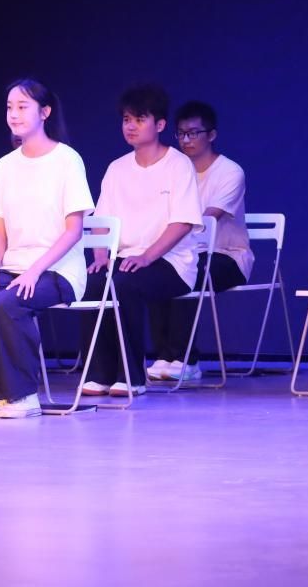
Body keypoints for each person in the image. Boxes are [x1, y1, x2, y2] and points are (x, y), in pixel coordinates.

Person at [0, 78, 94, 419]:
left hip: (58, 271)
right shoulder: (5, 166)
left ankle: (23, 395)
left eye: (23, 107)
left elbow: (73, 231)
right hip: (13, 267)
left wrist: (35, 271)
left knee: (9, 302)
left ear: (44, 112)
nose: (14, 114)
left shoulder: (67, 160)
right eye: (10, 107)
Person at [77, 85, 201, 397]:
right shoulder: (117, 168)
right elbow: (102, 223)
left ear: (159, 124)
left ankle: (131, 375)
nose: (130, 126)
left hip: (170, 263)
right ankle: (100, 373)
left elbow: (182, 222)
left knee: (125, 285)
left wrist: (146, 257)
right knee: (93, 283)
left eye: (139, 119)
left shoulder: (178, 165)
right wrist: (101, 257)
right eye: (126, 119)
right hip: (124, 259)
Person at [148, 100, 254, 382]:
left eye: (193, 133)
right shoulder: (173, 170)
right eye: (181, 134)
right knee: (154, 272)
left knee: (188, 271)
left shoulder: (230, 172)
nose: (186, 140)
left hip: (226, 255)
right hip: (184, 250)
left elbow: (206, 220)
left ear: (212, 134)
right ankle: (163, 354)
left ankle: (186, 359)